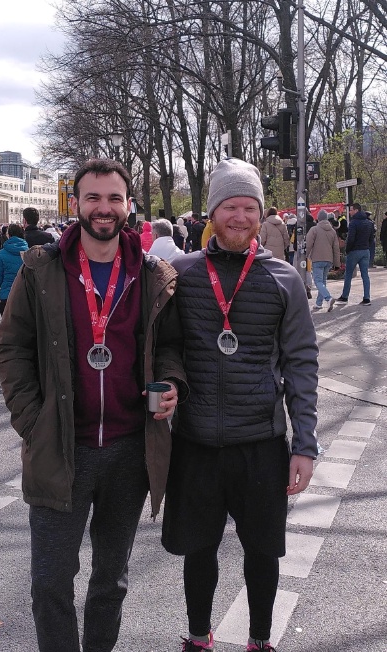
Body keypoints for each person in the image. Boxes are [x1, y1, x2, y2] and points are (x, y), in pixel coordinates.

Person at [0, 158, 187, 652]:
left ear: (128, 205)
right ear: (76, 203)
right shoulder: (40, 269)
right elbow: (12, 346)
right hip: (61, 448)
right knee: (50, 583)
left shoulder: (150, 274)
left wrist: (168, 382)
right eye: (93, 198)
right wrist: (33, 422)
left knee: (111, 580)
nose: (104, 208)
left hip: (128, 452)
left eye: (114, 198)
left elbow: (168, 346)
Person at [161, 158, 318, 652]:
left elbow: (301, 363)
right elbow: (163, 346)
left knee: (263, 553)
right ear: (212, 211)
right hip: (196, 441)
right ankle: (197, 636)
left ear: (260, 213)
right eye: (230, 206)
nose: (240, 216)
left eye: (249, 207)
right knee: (198, 550)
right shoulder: (180, 274)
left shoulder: (285, 278)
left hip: (261, 443)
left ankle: (259, 640)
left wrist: (305, 445)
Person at [0, 224, 29, 315]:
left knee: (7, 328)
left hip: (7, 297)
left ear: (9, 235)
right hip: (26, 297)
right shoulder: (29, 252)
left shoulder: (1, 254)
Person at [336, 202, 375, 306]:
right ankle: (367, 298)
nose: (350, 211)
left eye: (351, 210)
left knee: (348, 274)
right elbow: (371, 239)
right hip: (365, 251)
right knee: (365, 275)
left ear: (356, 210)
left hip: (354, 251)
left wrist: (347, 250)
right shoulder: (369, 223)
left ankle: (344, 297)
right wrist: (366, 247)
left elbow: (351, 239)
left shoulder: (353, 223)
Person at [306, 209, 340, 311]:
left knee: (318, 281)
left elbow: (308, 244)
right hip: (328, 260)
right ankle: (319, 303)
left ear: (318, 219)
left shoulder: (314, 229)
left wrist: (305, 256)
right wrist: (337, 263)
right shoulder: (333, 231)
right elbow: (336, 248)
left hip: (317, 258)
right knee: (323, 281)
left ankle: (328, 298)